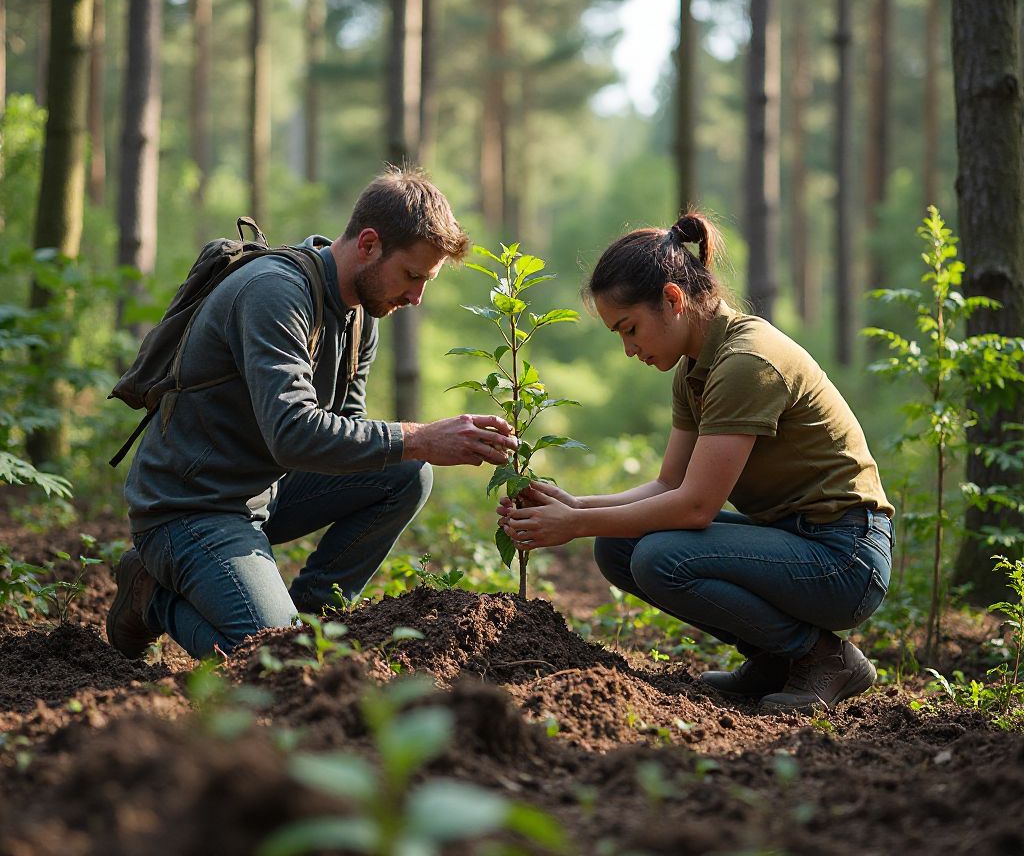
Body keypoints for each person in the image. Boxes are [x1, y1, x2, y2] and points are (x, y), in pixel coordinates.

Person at [107, 169, 519, 659]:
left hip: (264, 492)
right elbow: (292, 434)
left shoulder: (363, 314)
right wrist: (420, 436)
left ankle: (310, 621)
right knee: (270, 663)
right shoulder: (274, 292)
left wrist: (415, 447)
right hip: (189, 506)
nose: (415, 298)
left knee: (407, 474)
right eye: (412, 276)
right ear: (368, 244)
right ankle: (149, 596)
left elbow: (348, 433)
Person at [498, 212, 893, 713]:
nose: (628, 349)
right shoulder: (694, 370)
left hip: (846, 556)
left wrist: (574, 523)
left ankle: (823, 657)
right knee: (618, 549)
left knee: (660, 557)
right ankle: (776, 658)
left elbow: (694, 508)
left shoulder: (746, 361)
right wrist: (577, 504)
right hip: (798, 542)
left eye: (630, 328)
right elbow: (669, 484)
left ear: (672, 299)